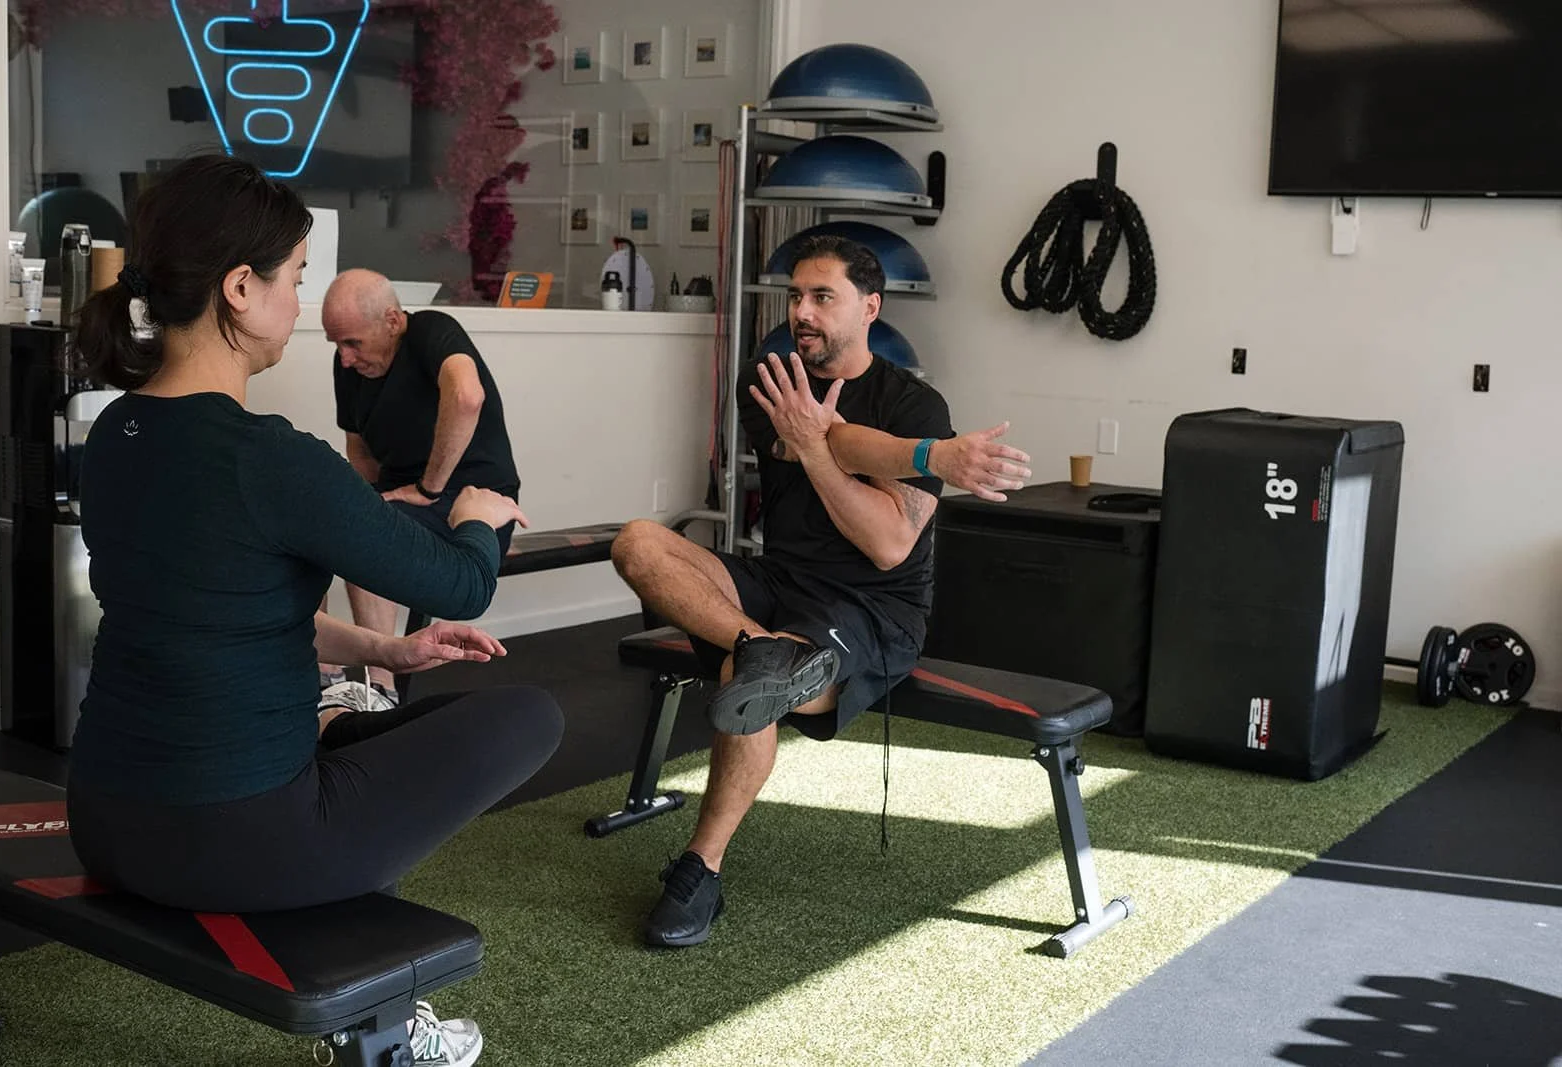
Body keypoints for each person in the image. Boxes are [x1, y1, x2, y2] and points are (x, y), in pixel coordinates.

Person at [67, 154, 561, 1066]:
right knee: (531, 715)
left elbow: (218, 607)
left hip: (103, 816)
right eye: (294, 279)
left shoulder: (113, 436)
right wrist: (479, 516)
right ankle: (382, 1016)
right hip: (231, 842)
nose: (298, 306)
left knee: (383, 721)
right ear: (239, 288)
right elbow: (460, 585)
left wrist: (388, 649)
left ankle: (334, 721)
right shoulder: (274, 458)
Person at [611, 235, 1031, 948]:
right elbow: (833, 440)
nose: (801, 311)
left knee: (745, 677)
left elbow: (888, 542)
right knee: (638, 542)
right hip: (777, 585)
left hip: (872, 608)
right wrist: (931, 458)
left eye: (822, 297)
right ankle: (767, 651)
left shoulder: (916, 405)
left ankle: (700, 867)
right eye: (796, 296)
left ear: (870, 307)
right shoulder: (771, 381)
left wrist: (841, 446)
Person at [322, 269, 522, 702]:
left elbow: (467, 396)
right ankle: (320, 673)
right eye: (336, 344)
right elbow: (359, 451)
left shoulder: (430, 330)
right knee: (311, 524)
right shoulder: (350, 367)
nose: (344, 357)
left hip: (476, 503)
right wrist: (356, 502)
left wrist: (428, 488)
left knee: (366, 533)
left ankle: (380, 688)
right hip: (405, 501)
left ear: (392, 321)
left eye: (353, 342)